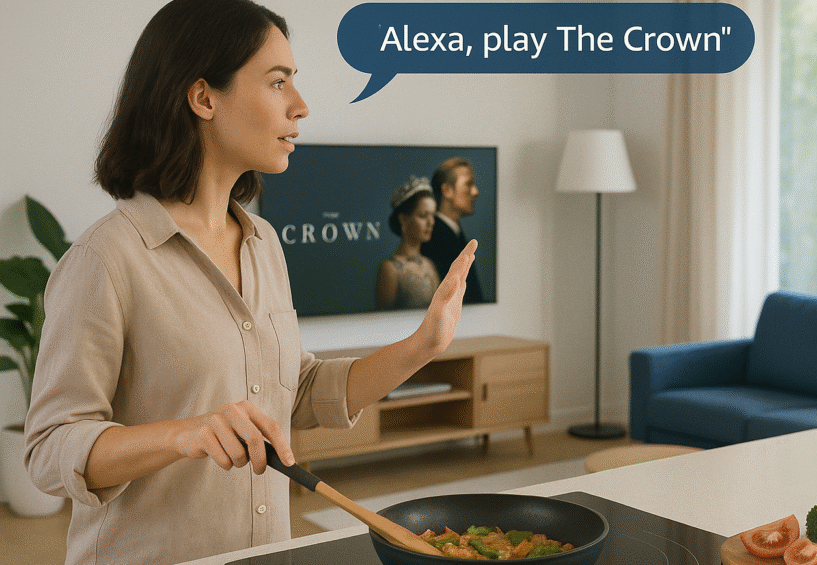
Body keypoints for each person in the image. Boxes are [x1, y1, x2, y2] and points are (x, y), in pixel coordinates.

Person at [21, 1, 476, 563]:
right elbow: (47, 452)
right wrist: (180, 435)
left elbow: (297, 392)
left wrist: (424, 346)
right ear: (204, 97)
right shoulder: (106, 259)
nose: (301, 106)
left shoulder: (263, 243)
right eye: (277, 82)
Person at [422, 157, 485, 304]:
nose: (475, 192)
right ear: (447, 190)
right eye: (469, 184)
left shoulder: (454, 234)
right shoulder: (435, 239)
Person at [375, 176, 441, 310]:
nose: (431, 223)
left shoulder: (429, 264)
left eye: (433, 216)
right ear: (403, 219)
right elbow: (382, 322)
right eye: (423, 215)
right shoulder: (390, 269)